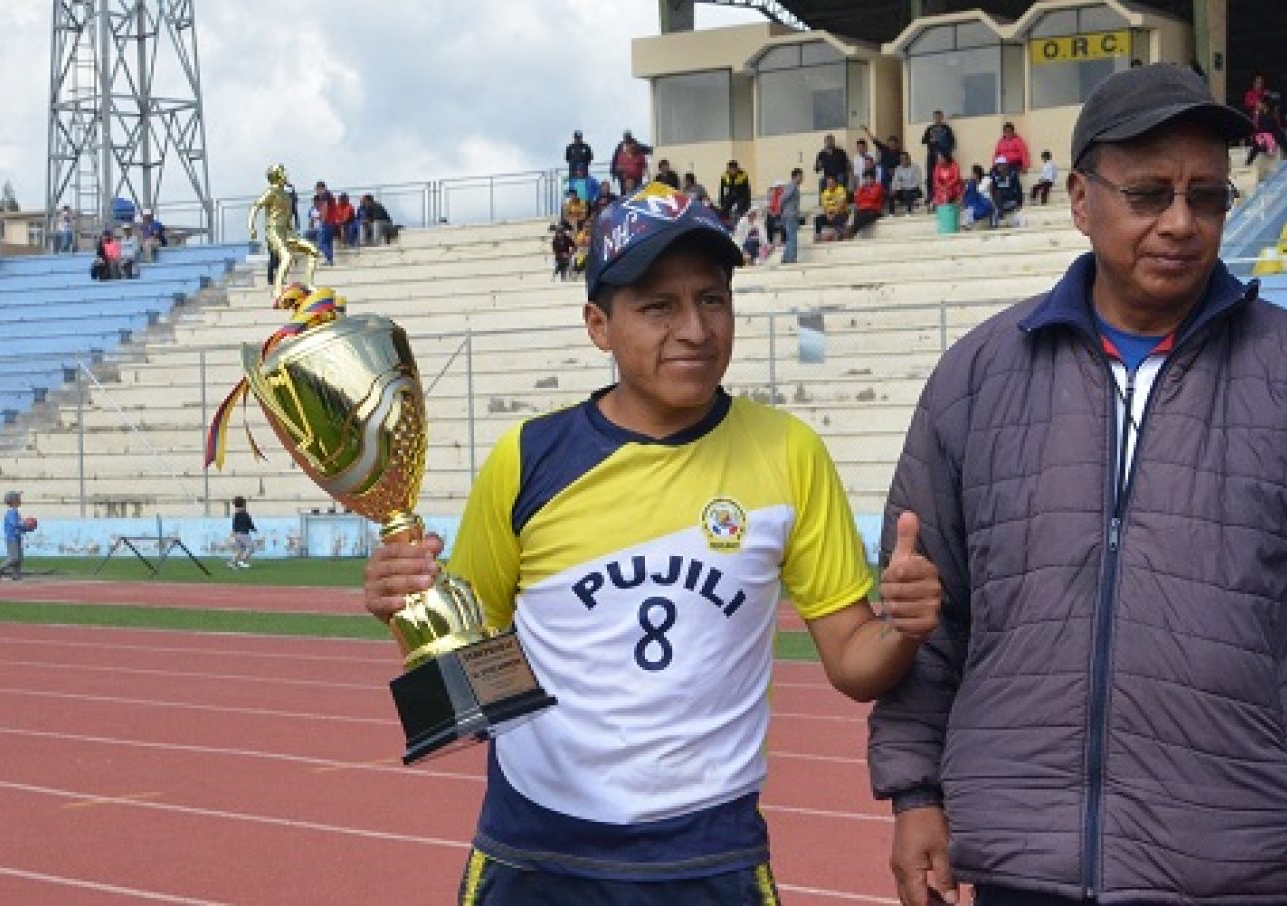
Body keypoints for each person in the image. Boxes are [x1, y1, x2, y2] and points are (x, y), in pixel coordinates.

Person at [870, 63, 1287, 906]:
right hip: (1023, 864)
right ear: (1081, 200)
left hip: (1242, 866)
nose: (1181, 223)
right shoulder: (976, 378)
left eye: (1208, 197)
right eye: (1150, 193)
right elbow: (931, 622)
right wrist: (915, 794)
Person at [360, 183, 943, 903]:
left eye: (712, 299)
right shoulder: (528, 458)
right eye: (658, 306)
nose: (695, 329)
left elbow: (855, 663)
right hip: (538, 853)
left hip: (708, 856)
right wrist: (411, 612)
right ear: (598, 324)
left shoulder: (788, 453)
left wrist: (905, 629)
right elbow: (472, 661)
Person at [0, 491, 31, 581]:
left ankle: (16, 575)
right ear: (13, 501)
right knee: (14, 558)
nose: (20, 500)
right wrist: (25, 526)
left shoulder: (15, 512)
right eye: (18, 498)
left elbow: (18, 525)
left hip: (16, 537)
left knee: (19, 558)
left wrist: (26, 528)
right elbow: (15, 524)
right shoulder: (11, 513)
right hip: (12, 538)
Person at [847, 171, 885, 239]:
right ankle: (851, 231)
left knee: (862, 215)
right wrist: (866, 197)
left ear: (873, 179)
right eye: (866, 179)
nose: (868, 180)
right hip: (862, 210)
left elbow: (873, 198)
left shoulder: (878, 187)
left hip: (874, 210)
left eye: (870, 178)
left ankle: (852, 231)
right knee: (857, 214)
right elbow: (857, 200)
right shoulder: (862, 188)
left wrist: (863, 198)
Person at [988, 157, 1023, 228]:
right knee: (995, 199)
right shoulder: (995, 175)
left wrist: (1019, 202)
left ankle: (1000, 214)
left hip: (1010, 198)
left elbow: (1018, 188)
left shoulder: (1012, 174)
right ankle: (995, 223)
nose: (999, 166)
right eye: (998, 165)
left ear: (1005, 165)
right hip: (1000, 201)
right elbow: (993, 189)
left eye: (1000, 164)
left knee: (998, 195)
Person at [778, 168, 804, 265]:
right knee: (792, 237)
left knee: (790, 237)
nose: (802, 178)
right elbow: (783, 198)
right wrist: (782, 211)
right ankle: (791, 258)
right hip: (790, 215)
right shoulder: (792, 186)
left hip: (790, 215)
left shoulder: (793, 187)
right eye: (800, 176)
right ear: (796, 176)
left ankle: (786, 257)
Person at [814, 176, 849, 241]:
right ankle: (818, 236)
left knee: (837, 218)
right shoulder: (825, 193)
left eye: (831, 182)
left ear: (836, 183)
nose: (830, 184)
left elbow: (841, 204)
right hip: (829, 214)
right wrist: (827, 215)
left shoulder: (841, 190)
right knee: (818, 219)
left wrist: (834, 214)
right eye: (828, 183)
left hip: (841, 213)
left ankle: (840, 234)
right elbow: (824, 206)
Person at [959, 164, 994, 229]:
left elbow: (992, 193)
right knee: (970, 193)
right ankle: (968, 221)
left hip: (985, 202)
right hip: (974, 202)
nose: (971, 175)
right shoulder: (971, 183)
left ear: (977, 174)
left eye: (973, 173)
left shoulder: (986, 180)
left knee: (972, 203)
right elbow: (964, 194)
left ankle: (969, 221)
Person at [718, 160, 752, 225]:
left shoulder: (743, 174)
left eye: (734, 168)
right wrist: (722, 201)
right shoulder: (724, 175)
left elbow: (747, 189)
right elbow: (721, 189)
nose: (732, 170)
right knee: (724, 209)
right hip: (731, 193)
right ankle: (724, 222)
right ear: (728, 169)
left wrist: (747, 202)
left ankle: (741, 222)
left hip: (741, 194)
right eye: (731, 168)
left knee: (741, 209)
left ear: (737, 168)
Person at [228, 496, 257, 569]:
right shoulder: (245, 514)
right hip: (244, 534)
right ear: (243, 504)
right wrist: (254, 529)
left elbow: (234, 524)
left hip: (237, 534)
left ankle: (232, 562)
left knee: (239, 550)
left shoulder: (236, 514)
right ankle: (242, 561)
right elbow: (249, 523)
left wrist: (234, 532)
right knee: (251, 547)